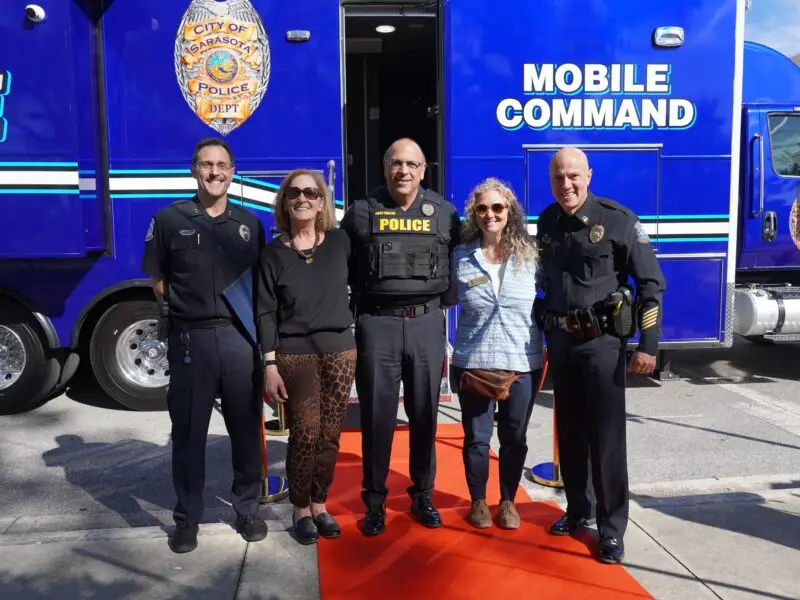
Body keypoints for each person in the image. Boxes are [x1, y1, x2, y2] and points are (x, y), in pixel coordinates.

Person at [535, 146, 666, 564]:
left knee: (606, 441)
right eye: (558, 177)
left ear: (588, 175)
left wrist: (648, 347)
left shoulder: (619, 220)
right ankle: (578, 510)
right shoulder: (548, 221)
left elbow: (651, 285)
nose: (566, 184)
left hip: (603, 346)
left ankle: (611, 530)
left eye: (573, 176)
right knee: (570, 435)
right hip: (563, 344)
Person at [141, 137, 268, 554]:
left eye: (222, 165)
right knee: (189, 434)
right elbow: (158, 278)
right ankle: (187, 518)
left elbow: (261, 288)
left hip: (237, 339)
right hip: (190, 339)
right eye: (207, 165)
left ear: (233, 172)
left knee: (245, 431)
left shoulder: (250, 225)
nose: (215, 172)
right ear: (194, 170)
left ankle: (247, 508)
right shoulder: (169, 219)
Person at [340, 138, 462, 535]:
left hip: (427, 322)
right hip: (378, 324)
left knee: (425, 415)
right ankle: (374, 500)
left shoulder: (444, 213)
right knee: (377, 417)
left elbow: (467, 262)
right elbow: (336, 265)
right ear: (385, 166)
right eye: (397, 163)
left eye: (412, 164)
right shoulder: (361, 212)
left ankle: (422, 494)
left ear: (424, 170)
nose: (404, 171)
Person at [256, 168, 357, 545]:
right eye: (294, 193)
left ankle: (320, 503)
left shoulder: (340, 243)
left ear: (322, 202)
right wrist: (268, 365)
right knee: (306, 432)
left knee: (331, 434)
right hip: (295, 355)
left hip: (340, 351)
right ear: (284, 201)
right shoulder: (272, 254)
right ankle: (299, 507)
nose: (303, 199)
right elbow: (265, 312)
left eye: (311, 193)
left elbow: (362, 285)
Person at [446, 177, 545, 530]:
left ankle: (507, 501)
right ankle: (477, 501)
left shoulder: (532, 255)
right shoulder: (460, 255)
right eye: (482, 208)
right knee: (476, 438)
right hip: (475, 361)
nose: (490, 214)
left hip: (522, 361)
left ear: (510, 212)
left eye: (498, 207)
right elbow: (443, 296)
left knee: (515, 438)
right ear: (474, 213)